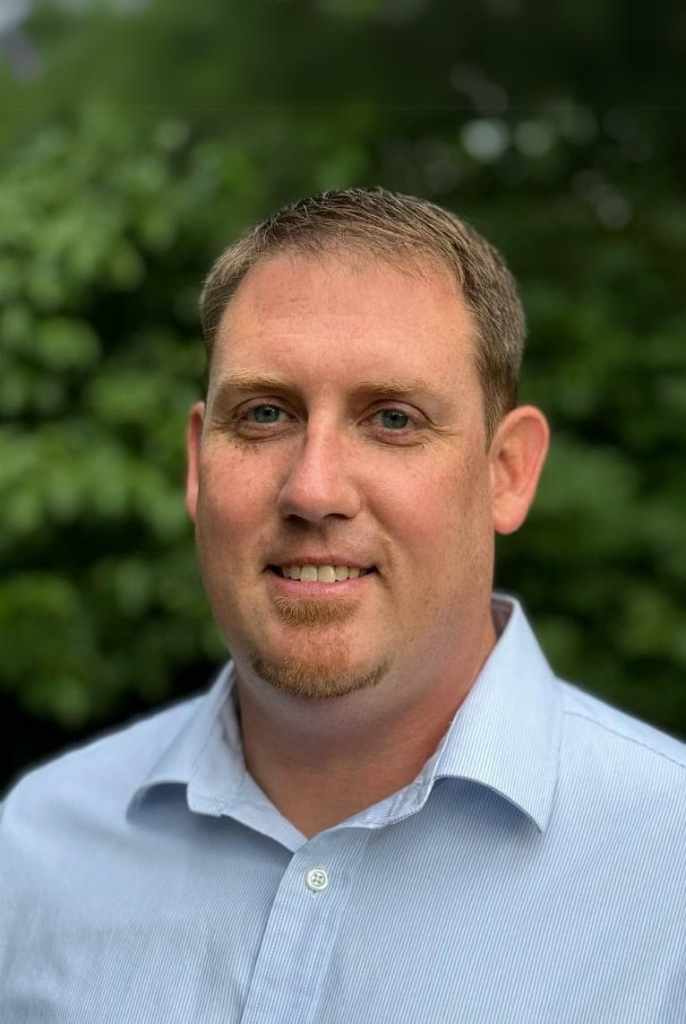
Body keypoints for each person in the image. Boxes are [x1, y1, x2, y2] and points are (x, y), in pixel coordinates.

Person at [1, 188, 683, 1023]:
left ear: (507, 471)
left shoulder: (668, 878)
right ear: (197, 461)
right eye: (263, 415)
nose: (313, 489)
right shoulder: (36, 846)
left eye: (393, 419)